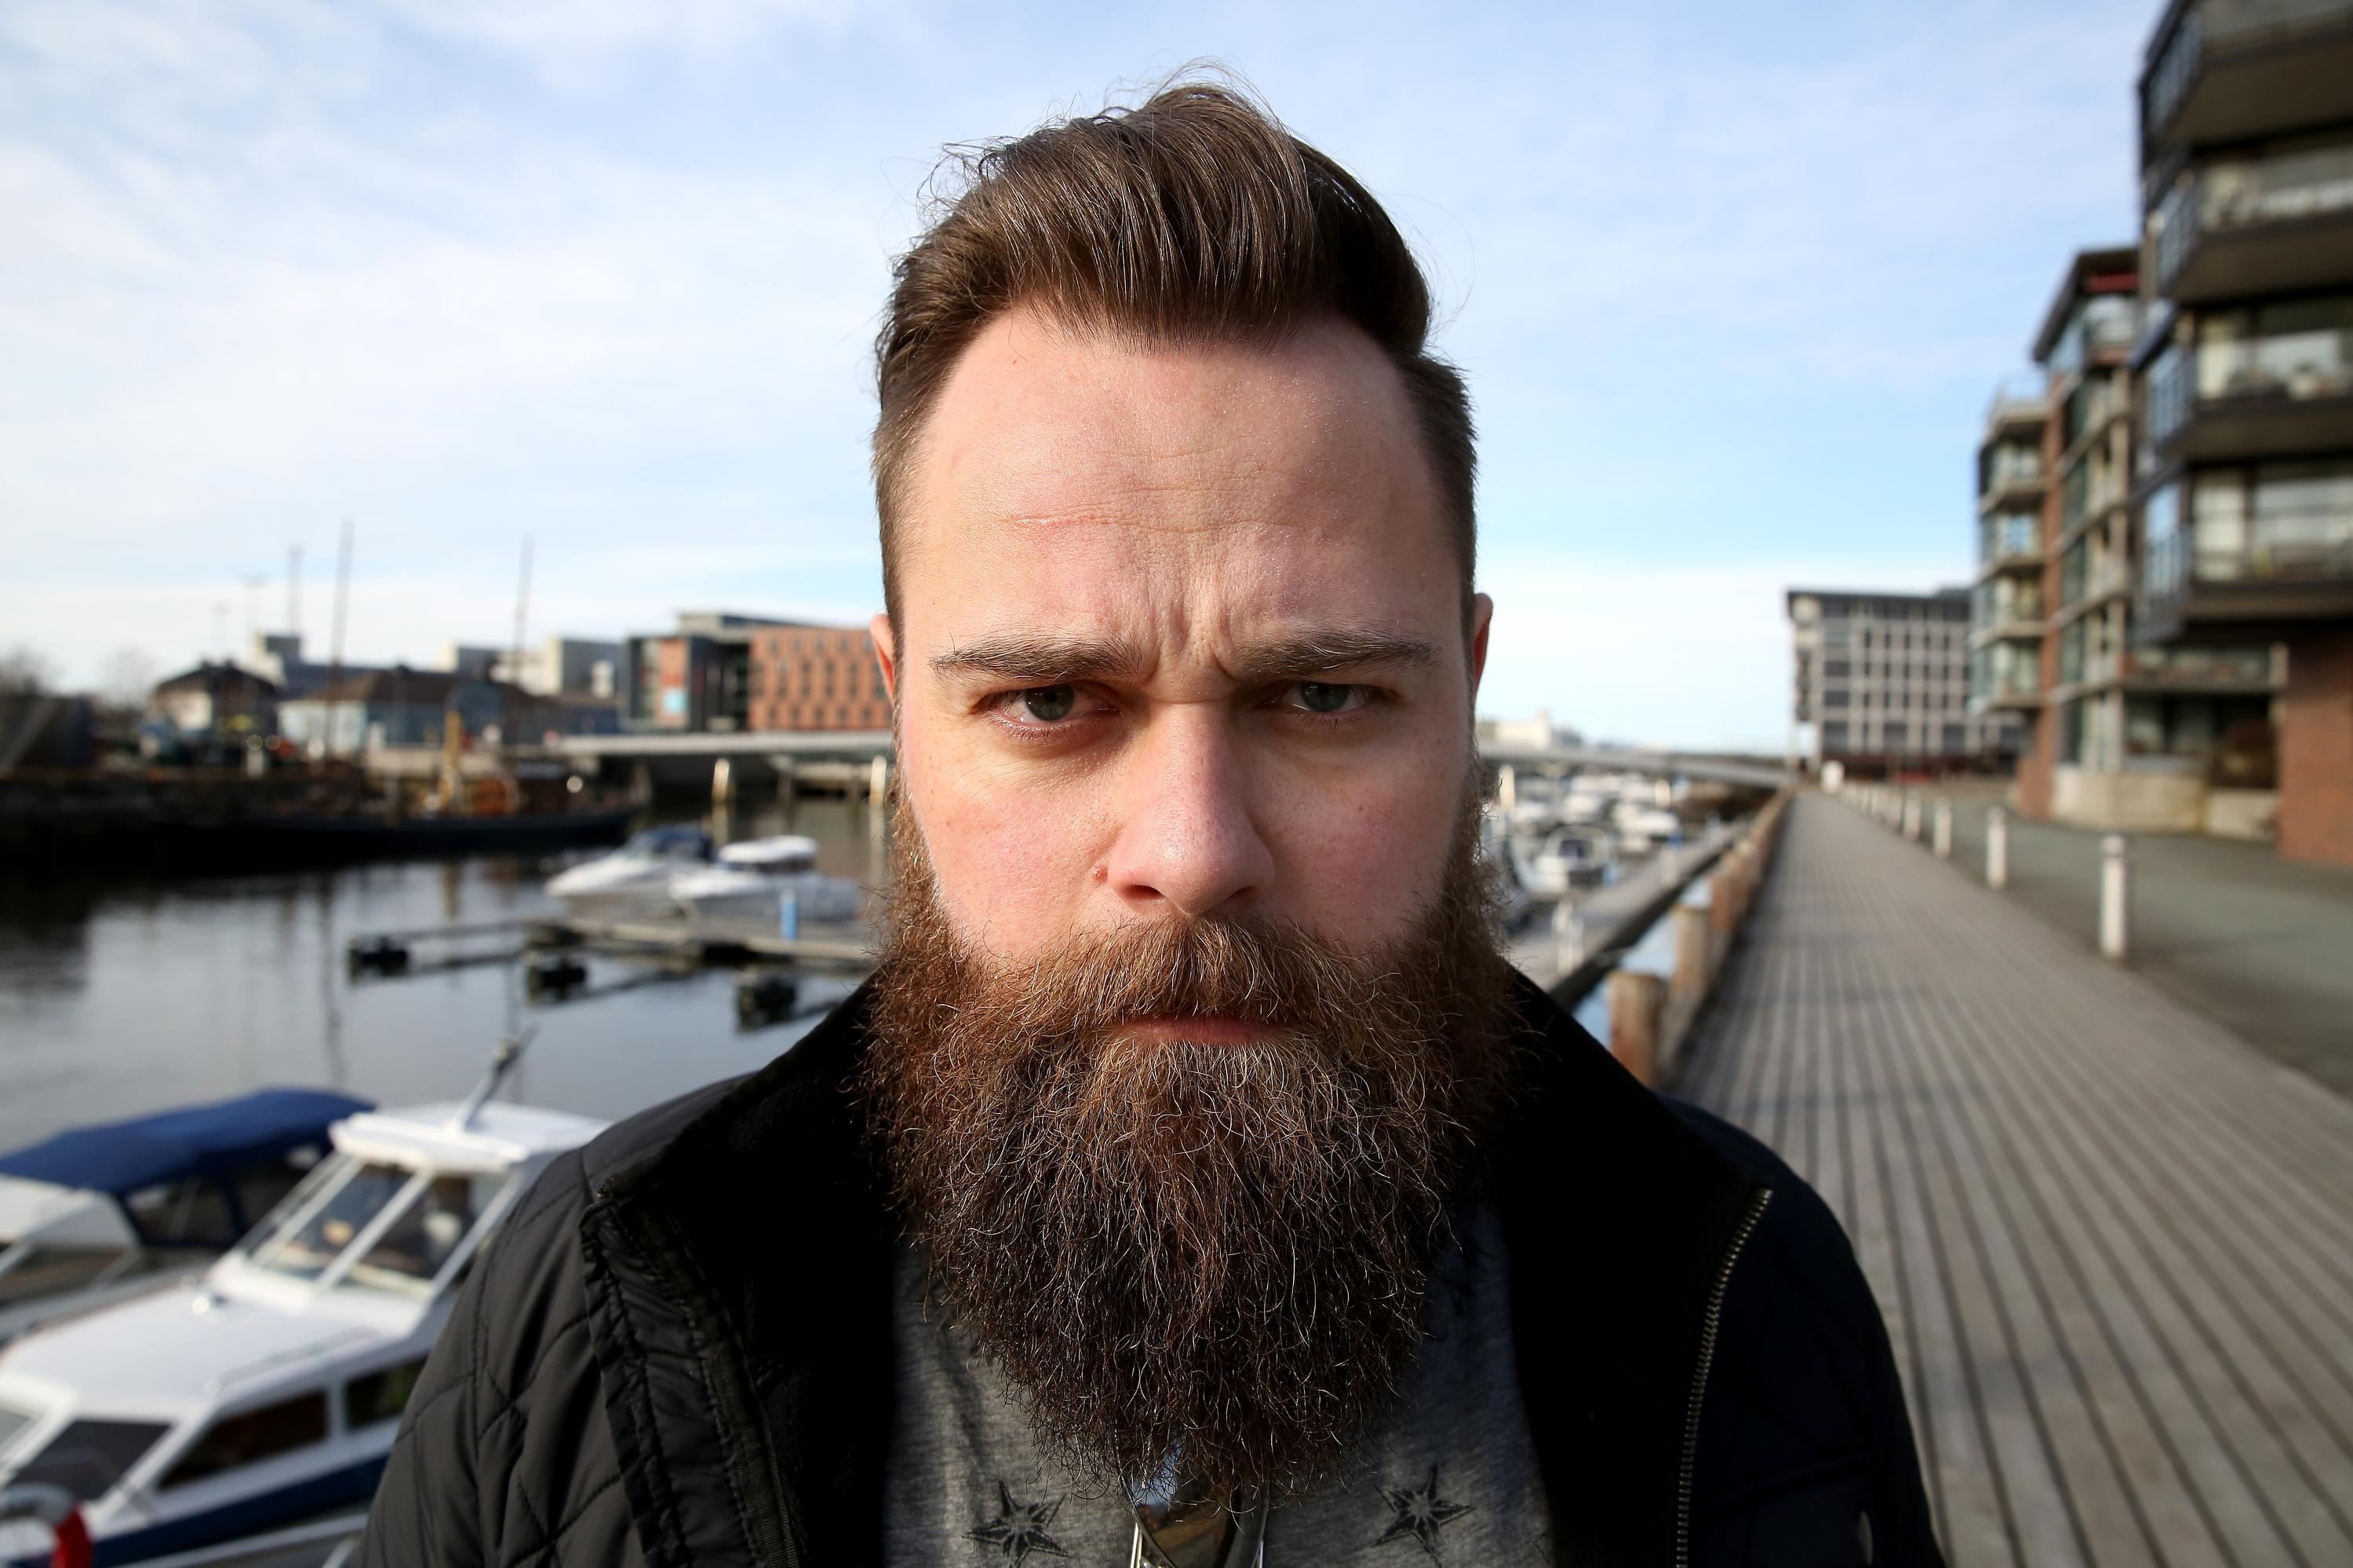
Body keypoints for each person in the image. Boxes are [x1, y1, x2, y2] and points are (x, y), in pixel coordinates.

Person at [355, 82, 1939, 1567]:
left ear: (1466, 694)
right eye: (1050, 699)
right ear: (900, 715)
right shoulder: (590, 1313)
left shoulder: (1747, 1292)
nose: (1190, 852)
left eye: (1323, 695)